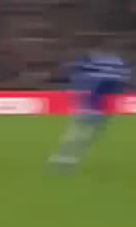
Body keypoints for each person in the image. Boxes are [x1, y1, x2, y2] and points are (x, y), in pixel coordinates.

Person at [49, 37, 129, 170]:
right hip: (95, 109)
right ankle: (65, 159)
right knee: (83, 135)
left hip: (92, 108)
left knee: (78, 134)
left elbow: (73, 70)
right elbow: (119, 81)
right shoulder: (110, 68)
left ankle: (64, 158)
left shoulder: (92, 66)